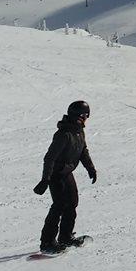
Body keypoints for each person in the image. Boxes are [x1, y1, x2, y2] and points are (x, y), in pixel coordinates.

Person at [33, 100, 96, 253]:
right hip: (55, 174)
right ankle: (47, 243)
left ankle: (65, 237)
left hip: (67, 172)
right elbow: (49, 158)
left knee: (72, 203)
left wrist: (90, 168)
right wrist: (45, 179)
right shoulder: (64, 134)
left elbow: (83, 151)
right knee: (59, 206)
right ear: (78, 116)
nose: (86, 119)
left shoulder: (79, 131)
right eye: (85, 116)